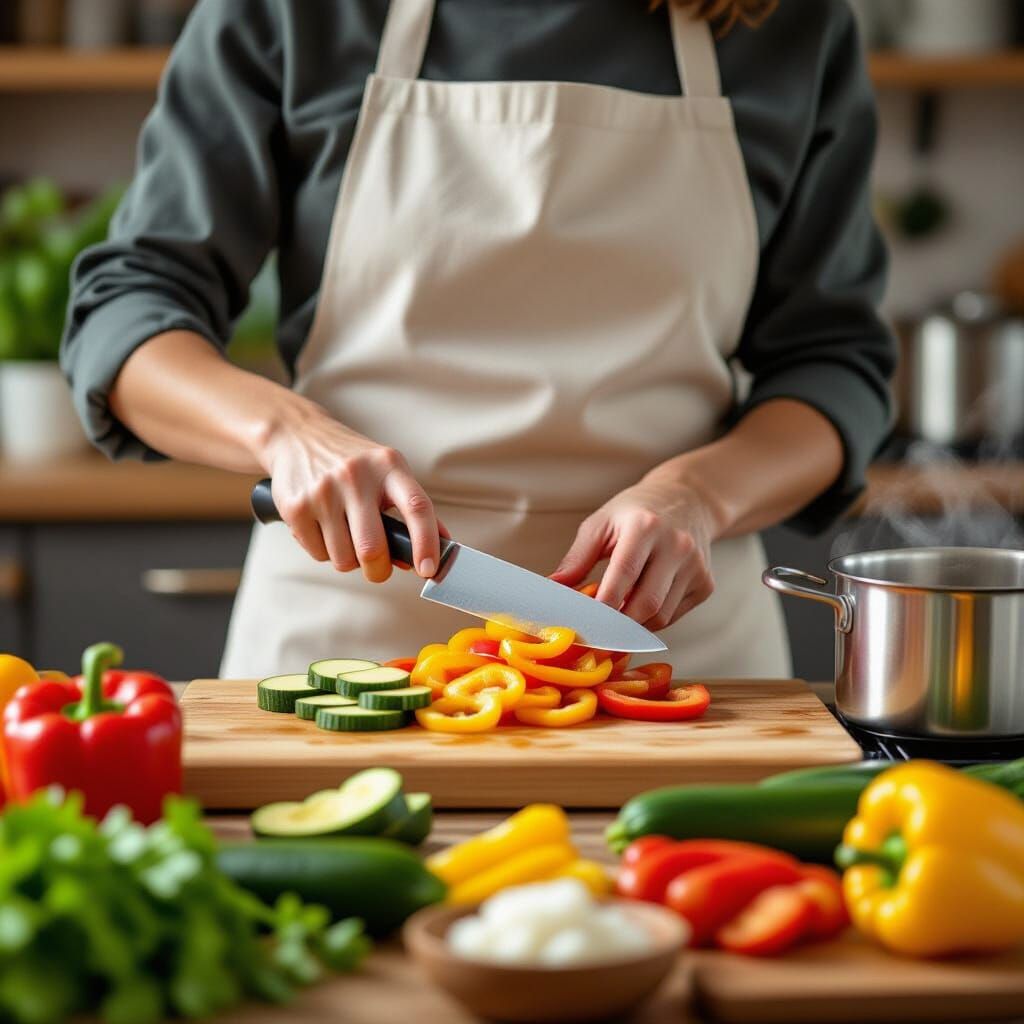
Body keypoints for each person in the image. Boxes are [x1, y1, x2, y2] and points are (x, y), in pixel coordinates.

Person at [62, 0, 895, 678]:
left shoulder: (782, 22)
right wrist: (288, 435)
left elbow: (833, 367)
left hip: (669, 653)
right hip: (347, 644)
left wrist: (698, 497)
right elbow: (129, 313)